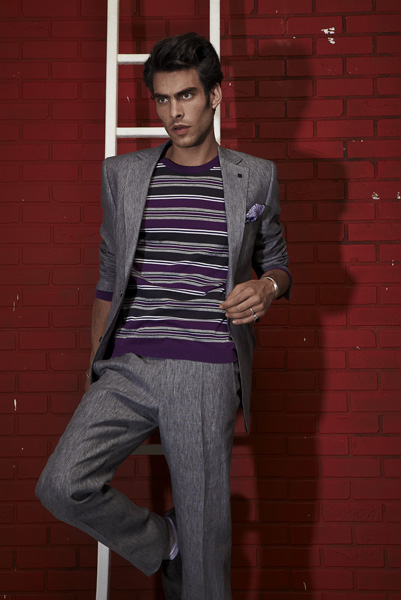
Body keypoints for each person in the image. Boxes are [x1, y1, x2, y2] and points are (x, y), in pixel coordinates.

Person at [36, 32, 291, 600]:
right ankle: (164, 543)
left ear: (215, 95)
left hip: (206, 368)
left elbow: (277, 263)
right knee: (62, 483)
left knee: (206, 554)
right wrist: (96, 364)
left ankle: (189, 549)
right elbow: (109, 274)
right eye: (163, 99)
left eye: (187, 96)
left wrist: (266, 288)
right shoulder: (122, 174)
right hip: (128, 364)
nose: (174, 112)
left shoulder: (255, 176)